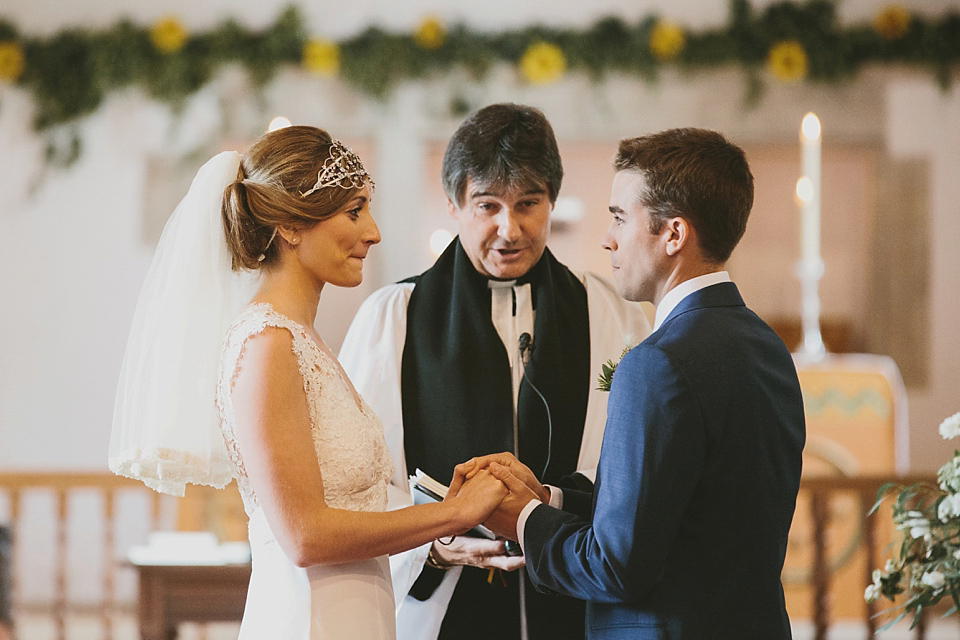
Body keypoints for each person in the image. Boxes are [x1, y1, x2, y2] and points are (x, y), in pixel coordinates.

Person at [109, 125, 507, 640]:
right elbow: (305, 537)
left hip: (356, 614)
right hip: (310, 620)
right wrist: (453, 515)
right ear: (293, 226)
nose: (374, 232)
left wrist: (434, 525)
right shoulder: (267, 346)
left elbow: (350, 509)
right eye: (353, 211)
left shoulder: (304, 339)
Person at [459, 128, 807, 639]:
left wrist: (524, 519)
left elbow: (616, 566)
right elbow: (689, 512)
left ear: (673, 234)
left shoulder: (659, 363)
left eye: (621, 217)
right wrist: (553, 498)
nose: (608, 237)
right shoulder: (766, 345)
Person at [339, 104, 651, 640]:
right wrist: (435, 540)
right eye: (488, 205)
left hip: (573, 587)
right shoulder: (395, 317)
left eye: (529, 203)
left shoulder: (610, 312)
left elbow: (631, 460)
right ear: (454, 205)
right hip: (439, 603)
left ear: (553, 201)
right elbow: (357, 479)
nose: (510, 229)